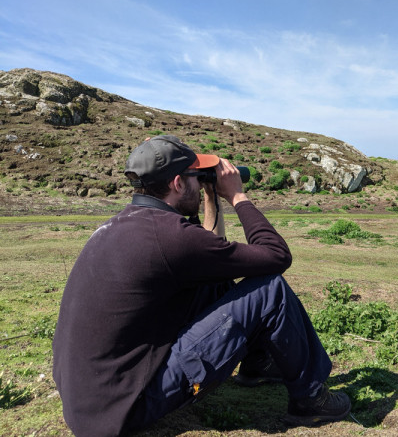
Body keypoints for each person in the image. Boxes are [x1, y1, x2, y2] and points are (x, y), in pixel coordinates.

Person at [52, 135, 351, 436]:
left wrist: (210, 195)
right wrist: (237, 197)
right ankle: (310, 400)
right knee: (269, 290)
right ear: (178, 184)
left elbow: (212, 253)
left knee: (216, 281)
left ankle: (257, 364)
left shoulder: (126, 224)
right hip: (128, 407)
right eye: (198, 177)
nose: (202, 182)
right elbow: (276, 255)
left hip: (94, 402)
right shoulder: (170, 237)